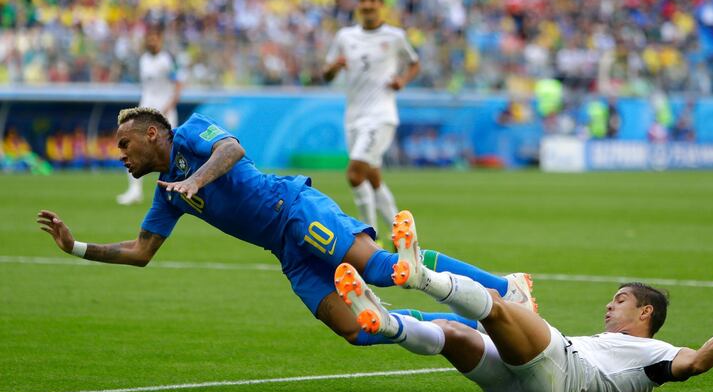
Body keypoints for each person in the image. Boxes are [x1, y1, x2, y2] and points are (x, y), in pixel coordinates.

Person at [38, 108, 534, 347]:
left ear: (152, 135)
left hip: (296, 208)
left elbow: (232, 151)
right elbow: (141, 252)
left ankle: (506, 289)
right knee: (357, 328)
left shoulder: (190, 132)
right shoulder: (166, 195)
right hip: (286, 250)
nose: (121, 156)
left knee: (385, 270)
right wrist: (75, 246)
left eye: (125, 146)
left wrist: (196, 180)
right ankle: (477, 325)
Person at [335, 210, 713, 392]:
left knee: (496, 306)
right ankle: (386, 322)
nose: (609, 306)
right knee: (457, 336)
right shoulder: (611, 342)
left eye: (620, 300)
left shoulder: (658, 355)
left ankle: (420, 276)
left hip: (565, 372)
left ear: (646, 314)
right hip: (522, 391)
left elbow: (699, 363)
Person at [322, 0, 420, 244]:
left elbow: (414, 62)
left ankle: (370, 239)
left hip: (381, 114)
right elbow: (326, 73)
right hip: (353, 116)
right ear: (358, 4)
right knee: (372, 177)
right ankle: (404, 235)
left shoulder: (394, 36)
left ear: (380, 5)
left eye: (372, 0)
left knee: (355, 174)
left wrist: (402, 80)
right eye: (363, 0)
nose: (367, 5)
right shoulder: (345, 37)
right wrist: (334, 67)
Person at [117, 25, 184, 205]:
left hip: (164, 114)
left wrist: (167, 107)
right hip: (145, 111)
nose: (151, 41)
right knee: (132, 146)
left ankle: (174, 190)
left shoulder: (167, 60)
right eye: (149, 38)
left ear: (160, 39)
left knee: (171, 152)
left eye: (155, 38)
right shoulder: (144, 59)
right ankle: (134, 190)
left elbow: (178, 85)